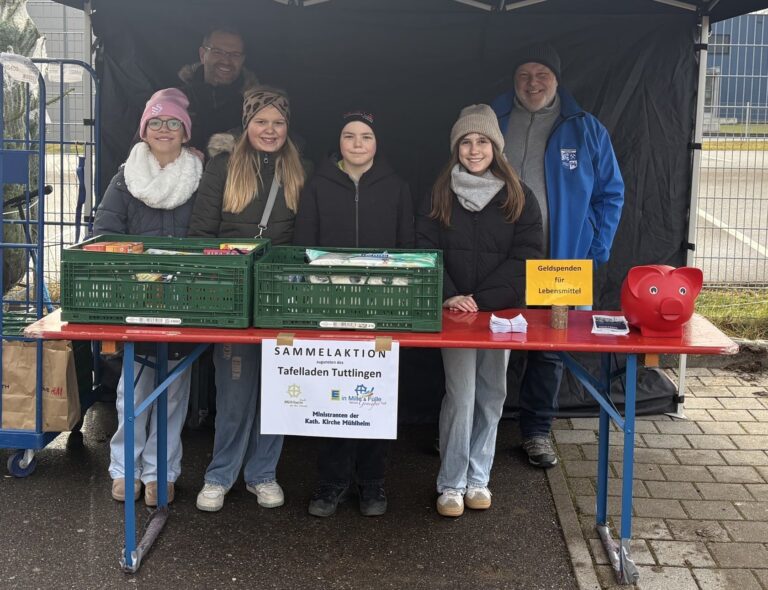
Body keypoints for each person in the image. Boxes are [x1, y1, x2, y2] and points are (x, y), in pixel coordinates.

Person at [491, 44, 625, 469]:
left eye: (541, 75)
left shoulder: (584, 128)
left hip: (561, 260)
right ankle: (474, 427)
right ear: (513, 81)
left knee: (550, 349)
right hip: (499, 259)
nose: (532, 83)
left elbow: (610, 193)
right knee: (487, 343)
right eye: (524, 75)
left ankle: (536, 431)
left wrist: (594, 251)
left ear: (557, 79)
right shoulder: (492, 121)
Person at [417, 104, 543, 518]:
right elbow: (424, 249)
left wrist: (483, 300)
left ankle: (478, 478)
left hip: (499, 315)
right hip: (454, 313)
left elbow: (527, 257)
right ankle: (451, 483)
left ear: (496, 147)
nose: (474, 150)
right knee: (461, 395)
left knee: (492, 394)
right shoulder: (438, 193)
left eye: (483, 141)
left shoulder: (520, 196)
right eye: (466, 142)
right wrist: (450, 295)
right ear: (456, 148)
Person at [189, 86, 307, 512]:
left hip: (281, 294)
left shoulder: (301, 169)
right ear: (247, 124)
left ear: (287, 126)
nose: (269, 130)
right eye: (261, 121)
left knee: (277, 391)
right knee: (234, 391)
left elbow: (307, 236)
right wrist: (214, 285)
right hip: (233, 296)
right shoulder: (222, 167)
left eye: (278, 122)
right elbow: (201, 233)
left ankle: (262, 474)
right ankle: (220, 475)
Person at [294, 110, 415, 518]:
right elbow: (304, 247)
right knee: (335, 392)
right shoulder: (317, 186)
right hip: (331, 306)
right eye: (349, 136)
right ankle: (332, 481)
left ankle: (373, 480)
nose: (358, 143)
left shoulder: (397, 187)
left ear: (377, 142)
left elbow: (408, 249)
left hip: (383, 306)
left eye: (366, 136)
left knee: (376, 394)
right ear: (339, 142)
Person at [94, 88, 203, 505]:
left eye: (173, 123)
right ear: (144, 129)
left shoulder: (200, 178)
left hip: (185, 297)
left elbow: (209, 235)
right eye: (155, 122)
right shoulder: (125, 178)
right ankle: (125, 469)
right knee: (133, 390)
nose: (164, 129)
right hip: (134, 298)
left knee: (173, 391)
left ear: (185, 132)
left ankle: (162, 472)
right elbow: (105, 233)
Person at [178, 26, 258, 154]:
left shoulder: (256, 106)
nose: (226, 61)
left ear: (243, 59)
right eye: (218, 52)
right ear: (202, 55)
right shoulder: (176, 99)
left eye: (235, 54)